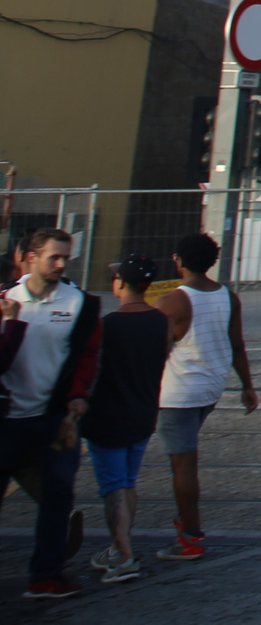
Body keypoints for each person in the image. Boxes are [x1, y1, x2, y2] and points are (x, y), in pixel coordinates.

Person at [1, 228, 100, 599]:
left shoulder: (79, 304)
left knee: (59, 497)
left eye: (65, 258)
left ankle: (46, 576)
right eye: (53, 257)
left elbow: (87, 356)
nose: (61, 264)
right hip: (5, 419)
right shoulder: (5, 300)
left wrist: (78, 397)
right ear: (30, 258)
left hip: (53, 421)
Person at [156, 228, 259, 562]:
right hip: (210, 388)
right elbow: (238, 345)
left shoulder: (173, 301)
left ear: (179, 261)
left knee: (183, 465)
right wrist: (247, 386)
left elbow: (154, 350)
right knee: (184, 460)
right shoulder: (228, 296)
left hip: (179, 393)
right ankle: (188, 528)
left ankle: (191, 536)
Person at [80, 256, 169, 585]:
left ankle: (125, 554)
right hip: (143, 414)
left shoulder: (107, 324)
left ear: (120, 283)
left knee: (113, 488)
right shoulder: (161, 321)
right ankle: (121, 546)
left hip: (108, 418)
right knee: (128, 482)